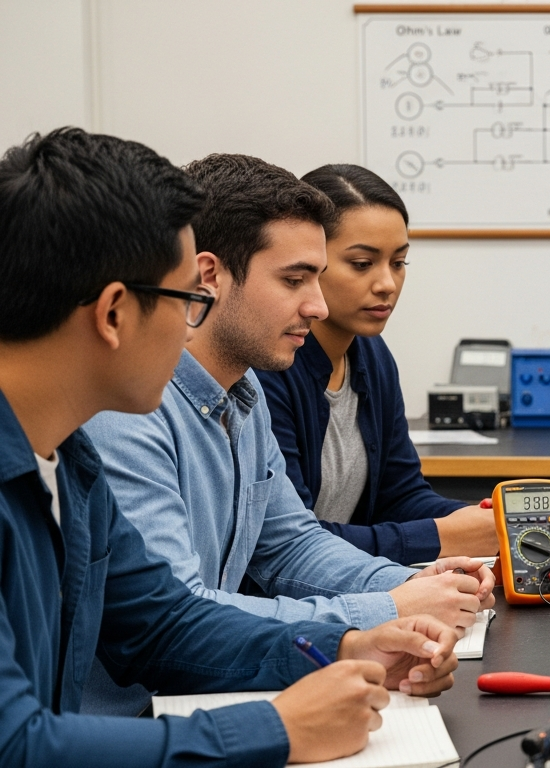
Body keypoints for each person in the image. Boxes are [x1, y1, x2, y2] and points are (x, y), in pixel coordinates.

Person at [0, 127, 462, 766]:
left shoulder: (68, 457)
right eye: (187, 298)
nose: (195, 322)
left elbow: (161, 624)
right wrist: (279, 728)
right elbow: (15, 744)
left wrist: (347, 647)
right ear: (112, 314)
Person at [81, 153, 493, 714]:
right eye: (295, 279)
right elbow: (176, 616)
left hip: (203, 697)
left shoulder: (243, 391)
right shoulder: (128, 413)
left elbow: (289, 545)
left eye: (318, 278)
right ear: (209, 277)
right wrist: (385, 609)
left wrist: (420, 585)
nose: (318, 305)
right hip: (134, 720)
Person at [256, 164, 497, 565]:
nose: (387, 283)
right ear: (312, 260)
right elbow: (289, 543)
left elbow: (399, 495)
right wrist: (441, 535)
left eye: (398, 262)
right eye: (363, 263)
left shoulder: (371, 354)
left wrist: (478, 520)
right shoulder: (269, 368)